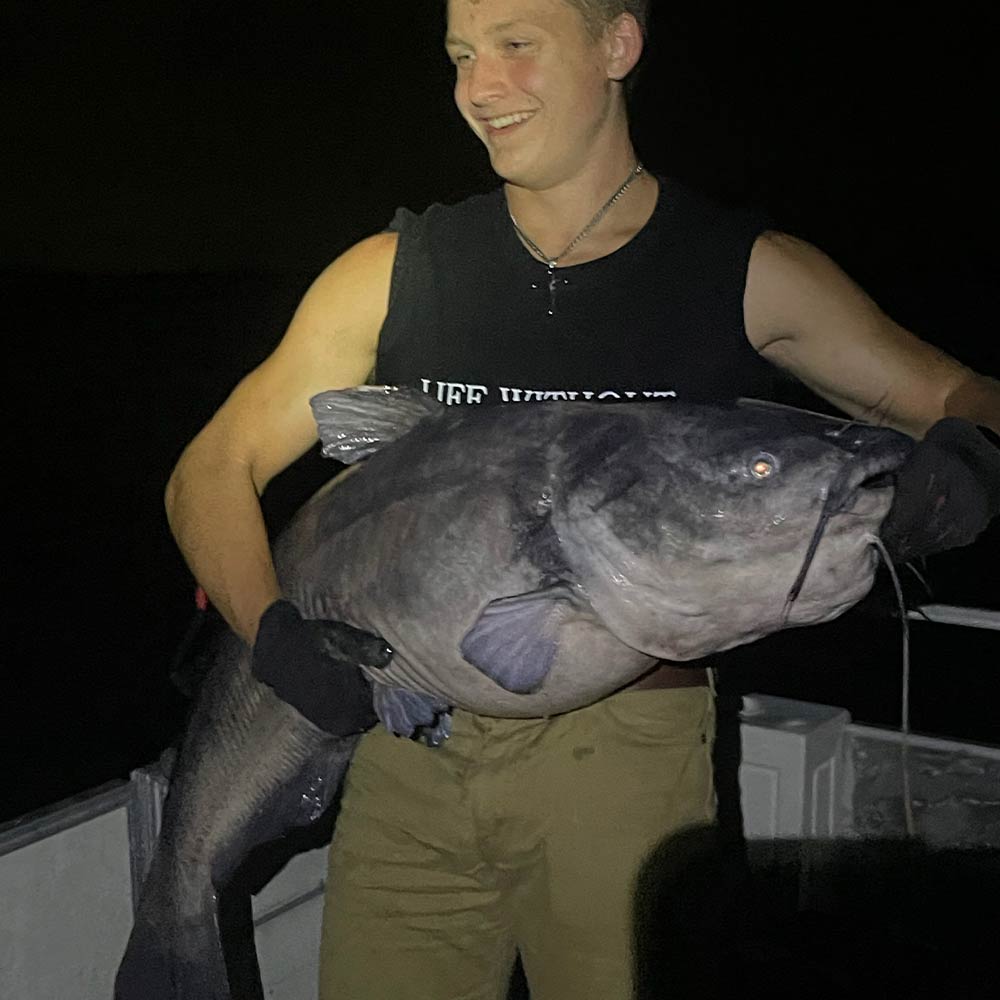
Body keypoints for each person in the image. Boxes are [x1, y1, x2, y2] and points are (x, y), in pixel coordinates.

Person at [164, 1, 1000, 997]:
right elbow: (209, 471)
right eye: (462, 56)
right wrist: (275, 634)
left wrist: (962, 470)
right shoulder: (392, 275)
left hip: (626, 761)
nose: (479, 88)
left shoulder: (738, 270)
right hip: (405, 762)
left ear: (617, 45)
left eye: (517, 46)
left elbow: (961, 396)